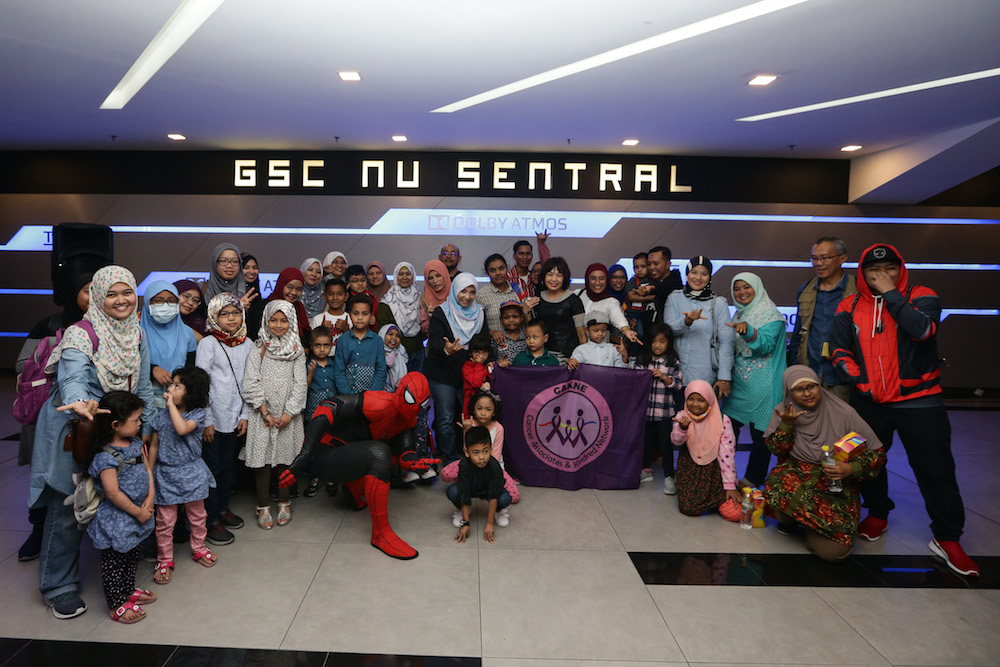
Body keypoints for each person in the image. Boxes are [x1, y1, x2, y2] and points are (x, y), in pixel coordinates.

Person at [831, 244, 978, 576]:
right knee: (867, 462)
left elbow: (922, 331)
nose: (881, 275)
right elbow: (839, 350)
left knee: (935, 469)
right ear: (862, 273)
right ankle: (878, 514)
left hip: (920, 401)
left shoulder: (922, 296)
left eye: (889, 269)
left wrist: (891, 294)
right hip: (870, 403)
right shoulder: (849, 304)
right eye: (873, 271)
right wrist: (861, 382)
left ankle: (947, 538)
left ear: (901, 269)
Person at [30, 265, 157, 619]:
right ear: (98, 298)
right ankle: (59, 586)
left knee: (117, 502)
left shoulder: (137, 332)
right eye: (111, 294)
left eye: (127, 292)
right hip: (78, 429)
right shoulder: (80, 334)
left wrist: (143, 430)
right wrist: (81, 401)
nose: (121, 300)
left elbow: (142, 385)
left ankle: (122, 581)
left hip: (118, 434)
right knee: (69, 506)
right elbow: (71, 376)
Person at [280, 373, 437, 559]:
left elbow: (405, 451)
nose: (415, 409)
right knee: (380, 454)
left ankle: (354, 490)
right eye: (411, 400)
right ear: (401, 392)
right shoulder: (379, 402)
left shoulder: (408, 418)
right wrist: (305, 454)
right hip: (323, 454)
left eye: (422, 403)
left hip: (349, 456)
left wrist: (414, 463)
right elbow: (329, 405)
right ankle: (380, 534)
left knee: (389, 455)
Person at [15, 265, 99, 562]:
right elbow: (22, 365)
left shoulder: (114, 326)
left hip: (88, 415)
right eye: (88, 290)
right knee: (48, 481)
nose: (94, 296)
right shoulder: (50, 324)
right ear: (73, 294)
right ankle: (37, 532)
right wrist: (58, 359)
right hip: (48, 411)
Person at [763, 366, 886, 562]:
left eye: (811, 386)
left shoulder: (845, 413)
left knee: (834, 553)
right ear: (789, 392)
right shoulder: (785, 410)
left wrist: (849, 468)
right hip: (796, 477)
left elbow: (878, 454)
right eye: (799, 389)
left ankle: (809, 526)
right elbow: (777, 449)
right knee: (776, 484)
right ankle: (792, 519)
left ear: (819, 385)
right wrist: (787, 424)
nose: (807, 393)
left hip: (834, 483)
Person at [84, 391, 156, 624]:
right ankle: (116, 604)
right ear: (115, 425)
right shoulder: (106, 456)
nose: (140, 424)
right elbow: (113, 493)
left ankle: (128, 591)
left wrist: (151, 497)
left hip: (139, 512)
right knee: (115, 562)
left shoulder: (135, 443)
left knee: (132, 554)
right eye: (135, 420)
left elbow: (147, 469)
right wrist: (137, 512)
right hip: (119, 518)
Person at [242, 300, 308, 530]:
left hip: (288, 416)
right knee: (262, 461)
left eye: (283, 320)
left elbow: (301, 384)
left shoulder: (297, 350)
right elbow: (250, 381)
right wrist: (264, 411)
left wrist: (290, 412)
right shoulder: (258, 346)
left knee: (284, 460)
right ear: (265, 320)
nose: (278, 325)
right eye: (273, 320)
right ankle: (262, 505)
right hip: (263, 416)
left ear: (291, 322)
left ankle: (284, 501)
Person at [148, 366, 216, 584]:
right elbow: (155, 445)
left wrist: (170, 406)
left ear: (191, 392)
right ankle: (165, 559)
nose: (170, 388)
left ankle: (199, 547)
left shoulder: (197, 414)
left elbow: (182, 428)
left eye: (177, 385)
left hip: (192, 472)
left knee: (197, 516)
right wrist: (149, 470)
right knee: (165, 521)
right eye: (171, 384)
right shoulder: (161, 417)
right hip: (166, 474)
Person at [722, 273, 787, 489]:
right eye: (737, 289)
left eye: (746, 287)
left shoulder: (772, 316)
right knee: (727, 430)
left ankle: (752, 480)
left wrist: (749, 331)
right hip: (740, 384)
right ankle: (725, 476)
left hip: (765, 387)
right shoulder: (739, 315)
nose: (741, 293)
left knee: (761, 437)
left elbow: (765, 345)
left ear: (757, 288)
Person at [196, 293, 251, 546]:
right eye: (224, 313)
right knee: (212, 468)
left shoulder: (247, 342)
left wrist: (245, 415)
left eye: (235, 312)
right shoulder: (208, 343)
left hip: (235, 416)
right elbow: (201, 384)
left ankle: (222, 509)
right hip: (213, 420)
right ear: (214, 317)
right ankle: (209, 520)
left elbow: (251, 382)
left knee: (229, 466)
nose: (231, 318)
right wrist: (206, 420)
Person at [425, 272, 486, 464]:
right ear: (455, 290)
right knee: (445, 418)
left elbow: (483, 343)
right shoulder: (442, 312)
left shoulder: (480, 313)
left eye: (471, 292)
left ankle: (470, 455)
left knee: (470, 417)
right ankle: (452, 459)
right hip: (443, 373)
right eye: (463, 291)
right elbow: (434, 343)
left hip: (468, 375)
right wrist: (447, 350)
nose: (467, 296)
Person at [788, 236, 857, 402]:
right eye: (815, 258)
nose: (818, 263)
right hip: (811, 373)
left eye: (825, 258)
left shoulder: (858, 289)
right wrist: (795, 370)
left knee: (842, 426)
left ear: (842, 259)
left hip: (844, 376)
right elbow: (798, 333)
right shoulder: (806, 290)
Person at [664, 256, 734, 395]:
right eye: (694, 272)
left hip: (705, 376)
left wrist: (724, 378)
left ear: (710, 277)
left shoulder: (718, 303)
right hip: (674, 375)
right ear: (687, 274)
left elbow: (726, 342)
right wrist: (686, 322)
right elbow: (667, 332)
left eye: (704, 274)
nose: (698, 278)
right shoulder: (674, 298)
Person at [670, 380, 740, 518]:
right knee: (689, 508)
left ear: (709, 400)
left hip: (715, 469)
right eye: (691, 399)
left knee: (734, 511)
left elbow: (727, 454)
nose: (695, 404)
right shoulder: (682, 416)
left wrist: (730, 485)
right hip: (690, 468)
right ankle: (711, 503)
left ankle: (720, 499)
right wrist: (683, 428)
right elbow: (676, 441)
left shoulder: (722, 420)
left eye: (701, 400)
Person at [441, 390, 519, 504]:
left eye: (488, 409)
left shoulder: (498, 428)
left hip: (493, 467)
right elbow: (467, 450)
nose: (483, 413)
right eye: (479, 408)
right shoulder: (470, 424)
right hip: (470, 463)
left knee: (514, 496)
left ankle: (497, 508)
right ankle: (466, 488)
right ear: (473, 409)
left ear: (494, 411)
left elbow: (495, 456)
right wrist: (467, 430)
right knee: (445, 474)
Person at [636, 324, 683, 494]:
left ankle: (669, 476)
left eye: (662, 341)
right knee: (646, 442)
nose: (657, 345)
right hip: (646, 411)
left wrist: (664, 377)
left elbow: (678, 385)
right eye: (654, 341)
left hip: (664, 413)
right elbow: (634, 381)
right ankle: (645, 470)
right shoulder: (643, 360)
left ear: (669, 343)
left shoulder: (673, 362)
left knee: (665, 444)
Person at [139, 280, 197, 409]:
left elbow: (191, 366)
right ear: (148, 303)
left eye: (171, 301)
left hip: (178, 399)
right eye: (159, 301)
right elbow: (129, 364)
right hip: (144, 397)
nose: (165, 305)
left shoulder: (187, 332)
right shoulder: (136, 333)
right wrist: (152, 369)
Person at [450, 426, 512, 543]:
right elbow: (464, 492)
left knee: (505, 498)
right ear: (467, 452)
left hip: (488, 491)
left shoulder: (494, 466)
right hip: (471, 489)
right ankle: (463, 511)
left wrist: (489, 523)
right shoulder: (464, 465)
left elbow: (493, 495)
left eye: (485, 451)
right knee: (453, 491)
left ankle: (498, 511)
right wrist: (466, 523)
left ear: (491, 448)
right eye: (476, 452)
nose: (482, 457)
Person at [530, 256, 586, 358]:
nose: (554, 279)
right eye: (550, 275)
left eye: (559, 275)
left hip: (568, 356)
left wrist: (584, 359)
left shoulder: (573, 300)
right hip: (543, 355)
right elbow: (531, 329)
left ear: (564, 277)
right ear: (544, 276)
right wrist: (525, 311)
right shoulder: (538, 298)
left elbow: (582, 334)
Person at [333, 295, 388, 394]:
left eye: (365, 314)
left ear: (371, 315)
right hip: (348, 399)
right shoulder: (342, 340)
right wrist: (348, 395)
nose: (360, 318)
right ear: (349, 315)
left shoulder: (377, 341)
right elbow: (339, 371)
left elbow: (381, 370)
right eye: (356, 313)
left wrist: (371, 395)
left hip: (371, 398)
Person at [575, 263, 639, 346]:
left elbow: (618, 318)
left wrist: (627, 330)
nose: (597, 283)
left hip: (601, 352)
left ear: (607, 280)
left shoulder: (611, 302)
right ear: (587, 279)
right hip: (576, 349)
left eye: (601, 278)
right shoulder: (577, 295)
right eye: (593, 278)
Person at [381, 262, 426, 373]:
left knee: (416, 387)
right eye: (401, 274)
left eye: (408, 274)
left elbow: (425, 328)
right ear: (396, 276)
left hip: (417, 353)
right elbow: (382, 330)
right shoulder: (387, 301)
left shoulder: (420, 299)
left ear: (413, 276)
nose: (404, 277)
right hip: (394, 355)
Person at [246, 267, 308, 342]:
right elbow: (254, 335)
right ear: (281, 285)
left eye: (299, 289)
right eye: (290, 287)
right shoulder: (264, 307)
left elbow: (305, 337)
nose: (294, 292)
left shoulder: (299, 308)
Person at [477, 253, 522, 340]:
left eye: (501, 268)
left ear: (506, 269)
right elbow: (477, 326)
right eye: (493, 270)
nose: (498, 273)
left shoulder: (516, 289)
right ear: (487, 272)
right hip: (494, 345)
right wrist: (492, 332)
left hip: (518, 342)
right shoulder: (481, 295)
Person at [640, 245, 683, 325]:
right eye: (649, 264)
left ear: (668, 264)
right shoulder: (651, 280)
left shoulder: (674, 283)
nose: (651, 267)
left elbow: (664, 286)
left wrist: (652, 288)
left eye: (656, 263)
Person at [507, 232, 551, 298]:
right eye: (521, 254)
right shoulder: (507, 278)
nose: (525, 257)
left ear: (532, 256)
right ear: (514, 256)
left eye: (528, 254)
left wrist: (541, 243)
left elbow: (548, 267)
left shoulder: (534, 277)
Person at [309, 278, 351, 344]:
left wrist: (347, 330)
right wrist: (321, 330)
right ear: (325, 296)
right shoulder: (317, 319)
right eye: (331, 294)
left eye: (340, 294)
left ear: (346, 296)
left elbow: (356, 342)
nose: (335, 298)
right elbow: (311, 343)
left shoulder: (351, 319)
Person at [461, 333, 494, 418]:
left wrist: (491, 370)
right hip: (471, 407)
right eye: (477, 352)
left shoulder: (485, 366)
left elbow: (494, 382)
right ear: (470, 353)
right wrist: (478, 365)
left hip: (486, 406)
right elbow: (476, 383)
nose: (481, 356)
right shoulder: (467, 367)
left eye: (484, 353)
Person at [419, 259, 451, 336]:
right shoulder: (424, 297)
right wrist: (431, 318)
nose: (435, 281)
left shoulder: (456, 294)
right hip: (435, 342)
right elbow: (425, 331)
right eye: (430, 278)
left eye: (438, 275)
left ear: (445, 275)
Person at [491, 300, 528, 366]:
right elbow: (490, 362)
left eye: (515, 316)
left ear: (521, 318)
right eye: (506, 317)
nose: (511, 320)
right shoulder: (498, 338)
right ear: (501, 319)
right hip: (503, 375)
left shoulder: (527, 337)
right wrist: (497, 364)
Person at [380, 324, 409, 393]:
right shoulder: (376, 351)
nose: (394, 338)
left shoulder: (400, 353)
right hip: (381, 393)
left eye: (397, 336)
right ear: (382, 335)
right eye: (390, 334)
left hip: (399, 392)